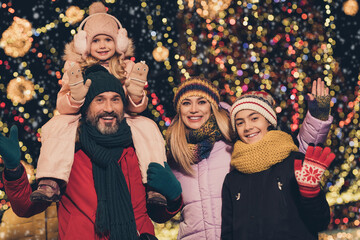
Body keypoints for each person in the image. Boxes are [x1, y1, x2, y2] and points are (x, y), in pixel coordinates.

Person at [0, 65, 182, 240]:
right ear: (86, 107)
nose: (109, 108)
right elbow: (25, 208)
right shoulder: (67, 154)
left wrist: (173, 197)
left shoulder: (138, 151)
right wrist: (13, 169)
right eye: (100, 100)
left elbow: (158, 214)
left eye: (115, 99)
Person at [156, 77, 333, 240]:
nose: (194, 109)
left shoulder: (231, 144)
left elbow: (298, 152)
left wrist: (318, 117)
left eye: (202, 101)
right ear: (179, 110)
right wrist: (171, 200)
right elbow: (159, 213)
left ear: (212, 106)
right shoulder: (175, 156)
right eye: (186, 103)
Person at [30, 1, 167, 206]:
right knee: (55, 125)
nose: (102, 45)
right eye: (96, 41)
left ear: (119, 43)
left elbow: (135, 108)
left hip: (119, 116)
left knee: (148, 127)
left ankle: (156, 186)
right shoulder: (75, 67)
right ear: (84, 44)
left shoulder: (127, 67)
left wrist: (136, 95)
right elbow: (62, 105)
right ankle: (50, 180)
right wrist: (75, 96)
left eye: (108, 40)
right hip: (84, 116)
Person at [221, 91, 334, 239]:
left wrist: (311, 194)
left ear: (268, 120)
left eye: (254, 118)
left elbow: (320, 222)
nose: (247, 127)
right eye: (240, 122)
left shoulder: (295, 162)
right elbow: (228, 233)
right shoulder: (233, 179)